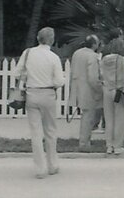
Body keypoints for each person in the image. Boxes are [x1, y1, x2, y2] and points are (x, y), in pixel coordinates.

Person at [13, 27, 64, 179]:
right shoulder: (53, 57)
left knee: (35, 132)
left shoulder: (28, 53)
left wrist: (27, 76)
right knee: (50, 131)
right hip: (48, 94)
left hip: (31, 94)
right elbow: (59, 81)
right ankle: (52, 165)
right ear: (51, 39)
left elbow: (16, 73)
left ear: (37, 38)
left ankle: (39, 169)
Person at [69, 34, 103, 151]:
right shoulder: (93, 56)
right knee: (88, 117)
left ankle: (85, 141)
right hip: (88, 90)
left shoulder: (77, 53)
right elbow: (93, 77)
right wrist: (99, 89)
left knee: (86, 116)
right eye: (97, 43)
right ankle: (84, 143)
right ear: (94, 44)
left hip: (77, 88)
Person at [100, 36, 124, 155]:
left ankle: (109, 145)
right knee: (120, 119)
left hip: (107, 89)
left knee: (109, 119)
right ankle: (118, 146)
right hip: (119, 90)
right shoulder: (122, 60)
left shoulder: (104, 59)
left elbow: (101, 74)